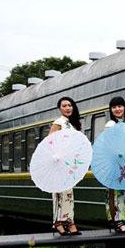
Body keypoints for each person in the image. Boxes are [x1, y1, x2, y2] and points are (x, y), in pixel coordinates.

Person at [48, 97, 82, 236]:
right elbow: (50, 142)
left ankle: (69, 221)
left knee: (68, 194)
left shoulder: (72, 124)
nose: (68, 108)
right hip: (58, 163)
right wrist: (57, 154)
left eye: (70, 105)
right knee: (59, 193)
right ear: (59, 108)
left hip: (69, 163)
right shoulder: (59, 123)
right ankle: (58, 223)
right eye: (64, 106)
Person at [102, 96, 125, 233]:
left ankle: (122, 220)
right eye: (114, 107)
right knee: (115, 193)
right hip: (114, 163)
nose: (117, 109)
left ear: (124, 108)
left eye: (120, 106)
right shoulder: (110, 124)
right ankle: (117, 221)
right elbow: (105, 143)